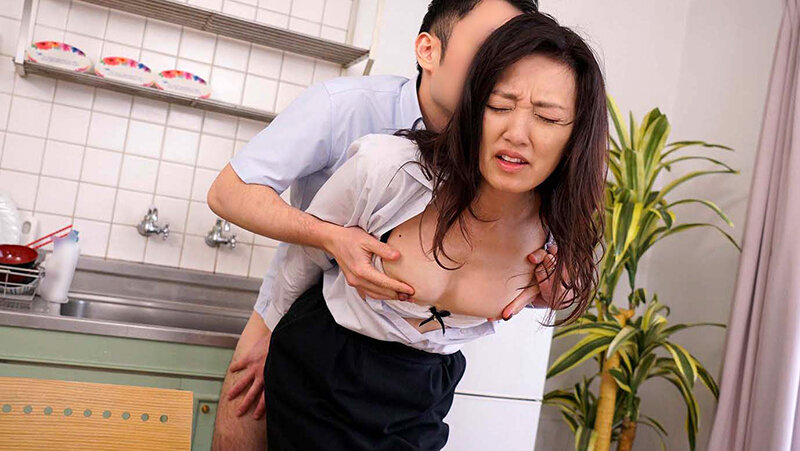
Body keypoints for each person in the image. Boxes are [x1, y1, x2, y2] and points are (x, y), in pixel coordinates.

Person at [206, 1, 566, 448]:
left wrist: (544, 289)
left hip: (414, 369)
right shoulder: (346, 109)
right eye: (487, 48)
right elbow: (229, 192)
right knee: (244, 406)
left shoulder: (505, 152)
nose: (499, 69)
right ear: (428, 50)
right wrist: (330, 240)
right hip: (305, 306)